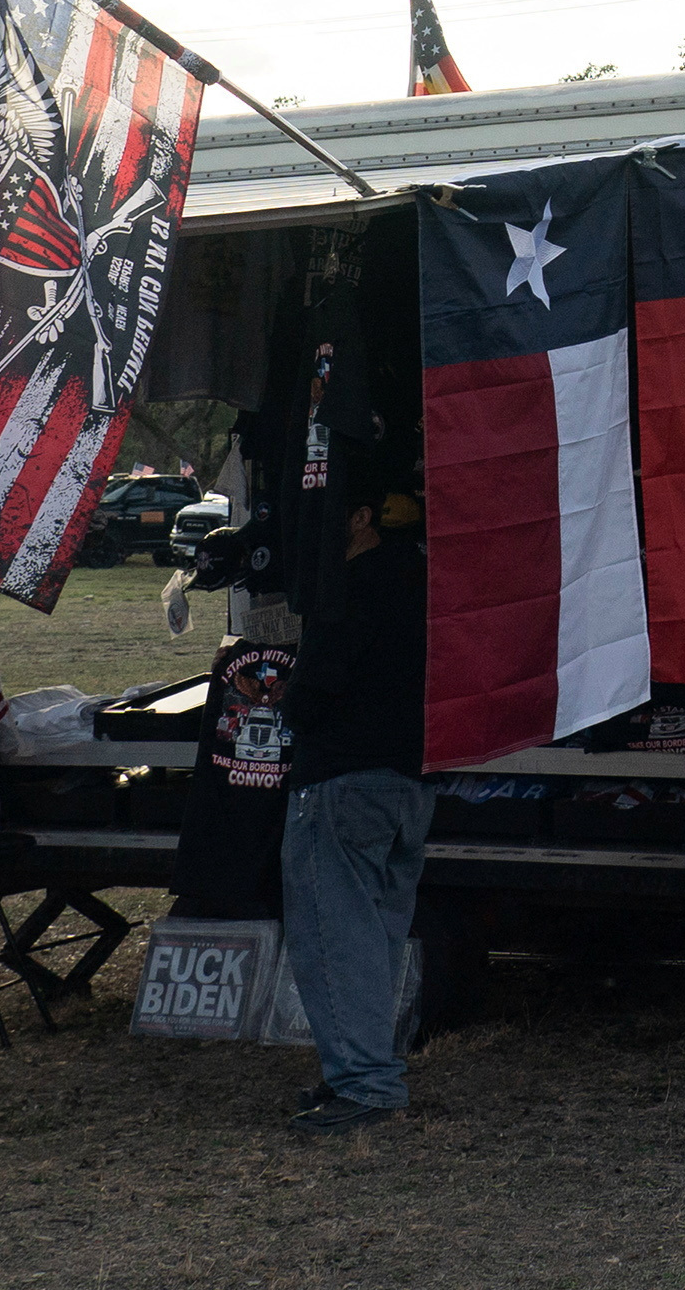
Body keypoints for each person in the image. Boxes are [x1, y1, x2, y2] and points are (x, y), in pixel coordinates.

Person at [277, 486, 432, 1133]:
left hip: (343, 780)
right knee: (380, 939)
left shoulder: (347, 593)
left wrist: (291, 702)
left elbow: (314, 688)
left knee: (336, 938)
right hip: (410, 780)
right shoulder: (421, 581)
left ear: (362, 516)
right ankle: (367, 1067)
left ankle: (366, 1083)